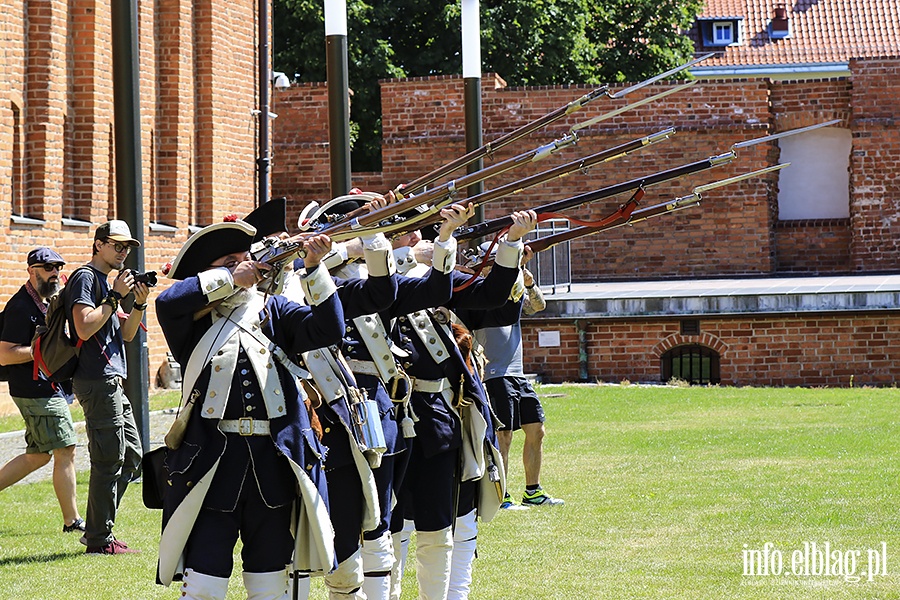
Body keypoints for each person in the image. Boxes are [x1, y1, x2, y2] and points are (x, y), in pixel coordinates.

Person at [154, 218, 343, 600]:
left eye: (246, 258)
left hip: (272, 464)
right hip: (210, 465)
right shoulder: (191, 319)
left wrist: (315, 268)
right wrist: (230, 277)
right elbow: (167, 300)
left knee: (270, 579)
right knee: (204, 581)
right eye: (230, 259)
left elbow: (330, 328)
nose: (246, 264)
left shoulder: (274, 311)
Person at [65, 220, 150, 554]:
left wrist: (138, 302)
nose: (123, 252)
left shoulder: (108, 284)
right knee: (108, 459)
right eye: (117, 245)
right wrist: (115, 295)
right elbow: (84, 327)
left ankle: (98, 530)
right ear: (98, 245)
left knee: (132, 456)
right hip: (96, 380)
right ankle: (99, 539)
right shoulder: (86, 278)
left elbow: (127, 336)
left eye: (127, 247)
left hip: (112, 379)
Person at [457, 246, 564, 508]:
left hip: (517, 373)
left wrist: (529, 284)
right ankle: (500, 495)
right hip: (493, 374)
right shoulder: (477, 294)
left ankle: (533, 491)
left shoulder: (513, 292)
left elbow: (538, 306)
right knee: (503, 437)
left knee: (536, 431)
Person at [0, 247, 84, 533]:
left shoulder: (47, 303)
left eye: (57, 269)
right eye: (47, 268)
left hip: (45, 387)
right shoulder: (21, 307)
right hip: (34, 390)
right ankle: (72, 521)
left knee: (38, 455)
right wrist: (40, 350)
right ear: (31, 270)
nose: (54, 274)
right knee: (66, 449)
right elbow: (5, 355)